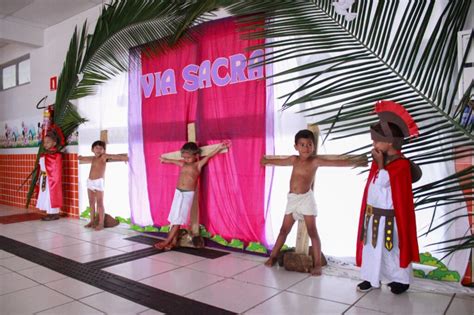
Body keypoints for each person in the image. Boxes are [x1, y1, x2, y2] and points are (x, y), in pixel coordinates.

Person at [262, 129, 367, 276]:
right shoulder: (294, 159)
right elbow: (281, 161)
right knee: (283, 230)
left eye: (309, 145)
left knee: (312, 231)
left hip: (306, 199)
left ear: (313, 146)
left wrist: (356, 161)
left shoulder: (315, 161)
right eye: (302, 145)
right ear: (296, 147)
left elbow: (335, 163)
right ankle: (273, 256)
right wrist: (266, 161)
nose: (306, 148)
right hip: (292, 200)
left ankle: (317, 264)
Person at [356, 100, 421, 294]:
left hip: (392, 218)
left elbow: (386, 182)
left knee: (392, 250)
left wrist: (381, 164)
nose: (374, 144)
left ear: (390, 141)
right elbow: (374, 186)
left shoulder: (401, 164)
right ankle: (370, 278)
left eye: (377, 140)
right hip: (373, 215)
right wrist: (379, 163)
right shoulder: (379, 160)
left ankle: (399, 280)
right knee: (371, 249)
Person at [154, 140, 230, 251]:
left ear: (196, 155)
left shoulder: (198, 165)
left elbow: (209, 156)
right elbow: (174, 161)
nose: (186, 160)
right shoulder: (183, 164)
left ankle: (166, 242)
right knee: (174, 218)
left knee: (178, 219)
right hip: (178, 193)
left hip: (187, 195)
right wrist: (164, 160)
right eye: (184, 157)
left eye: (188, 158)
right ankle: (174, 242)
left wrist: (219, 148)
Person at [78, 140, 128, 230]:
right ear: (92, 149)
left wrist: (124, 158)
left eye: (101, 148)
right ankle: (92, 221)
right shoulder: (93, 158)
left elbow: (114, 156)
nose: (98, 150)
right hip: (90, 182)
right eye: (96, 148)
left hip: (98, 182)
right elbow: (85, 158)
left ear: (104, 150)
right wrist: (81, 157)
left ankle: (101, 223)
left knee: (100, 203)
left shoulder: (104, 157)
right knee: (91, 203)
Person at [37, 128, 64, 221]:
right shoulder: (44, 154)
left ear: (54, 143)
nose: (45, 144)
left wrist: (51, 178)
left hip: (51, 180)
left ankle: (54, 213)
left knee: (51, 195)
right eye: (44, 142)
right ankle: (50, 212)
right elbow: (41, 167)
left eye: (48, 142)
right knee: (46, 195)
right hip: (44, 178)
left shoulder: (57, 155)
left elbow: (55, 169)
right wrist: (39, 178)